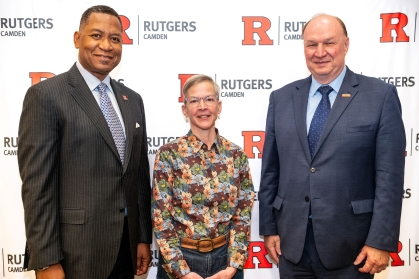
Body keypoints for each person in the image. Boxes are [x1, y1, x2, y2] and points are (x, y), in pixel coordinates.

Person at [258, 14, 405, 278]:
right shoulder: (281, 99)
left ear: (346, 44)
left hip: (353, 250)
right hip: (292, 247)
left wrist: (381, 241)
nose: (320, 52)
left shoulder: (380, 96)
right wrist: (269, 228)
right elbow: (271, 170)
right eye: (311, 44)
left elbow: (389, 177)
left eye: (329, 43)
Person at [18, 5, 152, 279]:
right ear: (77, 39)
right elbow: (37, 187)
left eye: (115, 39)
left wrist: (142, 238)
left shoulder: (133, 100)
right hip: (73, 255)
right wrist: (46, 262)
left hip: (125, 250)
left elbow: (138, 175)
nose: (106, 45)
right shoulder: (46, 96)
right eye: (96, 35)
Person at [151, 75, 255, 279]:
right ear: (184, 110)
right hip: (181, 259)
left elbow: (243, 213)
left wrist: (232, 267)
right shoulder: (169, 154)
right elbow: (161, 217)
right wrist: (182, 271)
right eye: (194, 101)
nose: (202, 106)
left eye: (209, 99)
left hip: (225, 261)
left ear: (219, 106)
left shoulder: (236, 155)